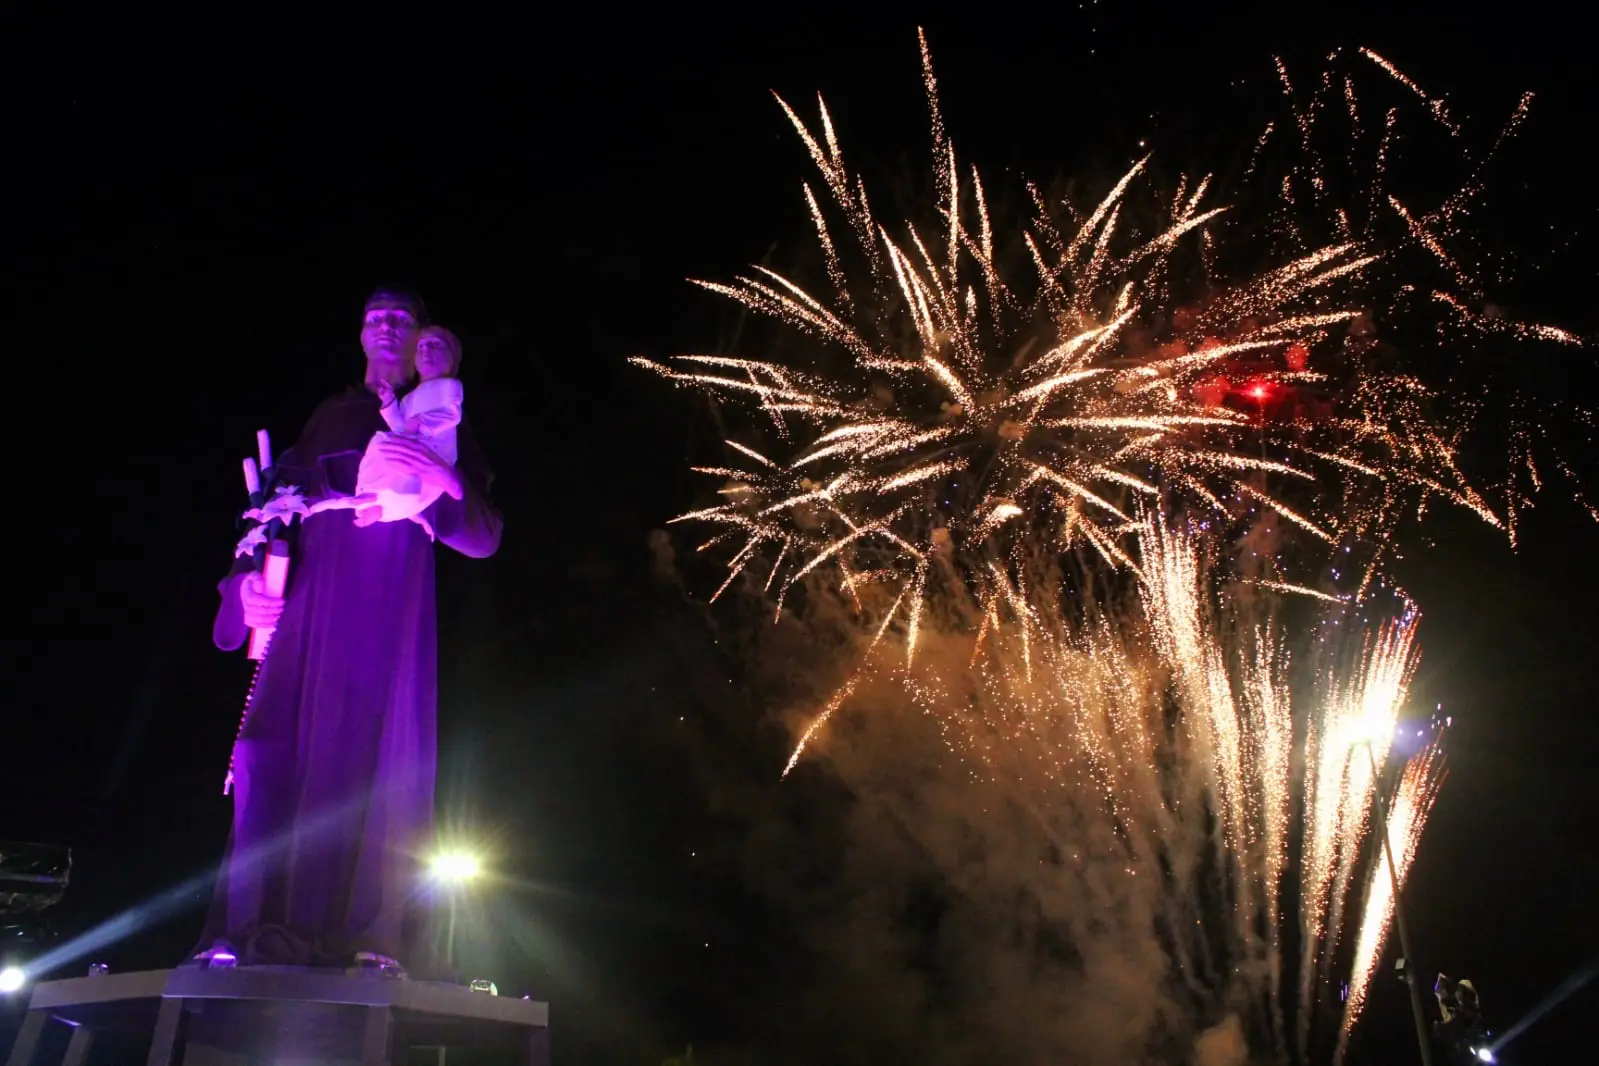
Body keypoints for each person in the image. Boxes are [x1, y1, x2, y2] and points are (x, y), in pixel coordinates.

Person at [197, 287, 502, 972]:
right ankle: (248, 930)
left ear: (428, 336)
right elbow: (267, 519)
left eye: (401, 319)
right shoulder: (329, 417)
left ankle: (372, 938)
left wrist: (444, 482)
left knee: (377, 767)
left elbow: (483, 536)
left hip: (386, 622)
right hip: (306, 618)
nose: (386, 328)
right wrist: (246, 587)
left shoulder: (442, 418)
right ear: (360, 335)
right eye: (373, 318)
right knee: (266, 753)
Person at [310, 324, 466, 536]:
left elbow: (452, 415)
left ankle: (387, 499)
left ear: (452, 357)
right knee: (382, 445)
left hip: (436, 449)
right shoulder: (411, 397)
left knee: (403, 460)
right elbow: (400, 428)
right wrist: (389, 403)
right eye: (421, 346)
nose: (426, 351)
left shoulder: (450, 386)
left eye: (434, 345)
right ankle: (373, 496)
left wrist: (423, 422)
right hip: (413, 444)